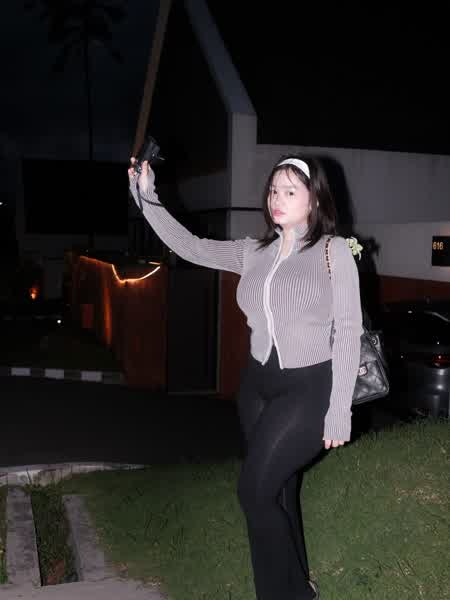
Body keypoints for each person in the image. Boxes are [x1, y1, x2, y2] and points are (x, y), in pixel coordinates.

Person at [128, 154, 363, 600]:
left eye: (290, 191)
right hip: (256, 386)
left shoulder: (333, 252)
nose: (277, 198)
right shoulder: (253, 251)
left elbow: (350, 332)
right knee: (279, 491)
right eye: (274, 190)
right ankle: (298, 586)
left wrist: (339, 411)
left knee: (253, 493)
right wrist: (147, 197)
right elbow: (191, 246)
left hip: (309, 387)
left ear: (315, 200)